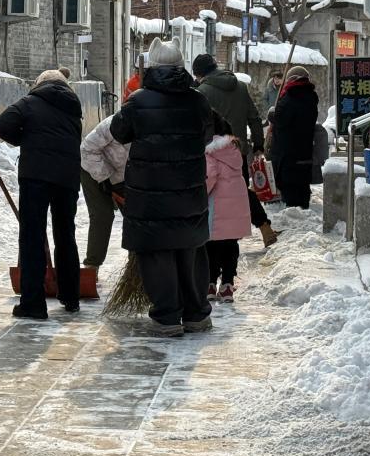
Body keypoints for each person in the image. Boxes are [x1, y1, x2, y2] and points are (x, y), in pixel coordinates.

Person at [110, 39, 214, 337]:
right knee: (190, 249)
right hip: (189, 190)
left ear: (152, 67)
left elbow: (119, 132)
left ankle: (168, 318)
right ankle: (196, 315)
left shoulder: (138, 101)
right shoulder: (198, 100)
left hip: (150, 194)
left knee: (157, 253)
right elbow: (207, 135)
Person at [0, 69, 83, 319]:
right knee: (65, 234)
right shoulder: (73, 108)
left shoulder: (30, 102)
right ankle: (71, 296)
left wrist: (23, 138)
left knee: (32, 237)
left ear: (39, 84)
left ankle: (33, 303)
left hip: (35, 177)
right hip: (67, 178)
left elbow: (3, 124)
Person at [192, 53, 278, 247]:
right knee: (240, 192)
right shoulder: (240, 87)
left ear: (199, 74)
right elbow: (254, 118)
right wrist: (258, 144)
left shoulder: (201, 93)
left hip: (210, 153)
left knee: (211, 196)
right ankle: (264, 226)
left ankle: (214, 242)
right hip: (237, 152)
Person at [205, 113, 251, 303]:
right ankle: (227, 285)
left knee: (211, 247)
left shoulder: (210, 151)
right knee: (231, 247)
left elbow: (209, 176)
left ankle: (209, 284)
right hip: (235, 207)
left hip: (217, 209)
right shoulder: (233, 150)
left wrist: (198, 195)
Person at [79, 114, 129, 270]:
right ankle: (92, 265)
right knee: (103, 215)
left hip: (122, 176)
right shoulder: (114, 124)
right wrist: (105, 180)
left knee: (135, 217)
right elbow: (87, 150)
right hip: (91, 168)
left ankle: (138, 265)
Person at [271, 66, 319, 209]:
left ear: (291, 80)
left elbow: (281, 120)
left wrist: (272, 114)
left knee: (290, 188)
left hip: (288, 152)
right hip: (305, 149)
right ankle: (303, 208)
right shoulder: (311, 97)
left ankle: (293, 212)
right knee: (302, 185)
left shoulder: (290, 96)